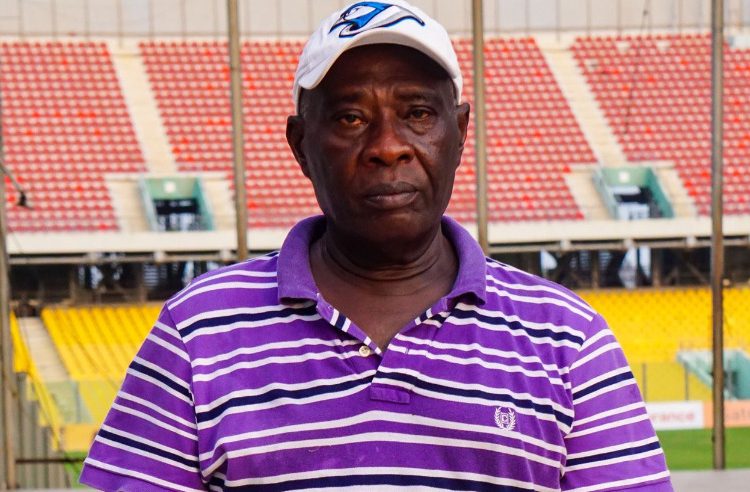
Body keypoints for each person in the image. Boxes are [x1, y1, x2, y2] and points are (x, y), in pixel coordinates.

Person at [80, 1, 673, 490]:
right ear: (300, 145)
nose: (388, 146)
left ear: (460, 131)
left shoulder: (567, 339)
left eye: (418, 113)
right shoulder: (198, 331)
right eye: (350, 118)